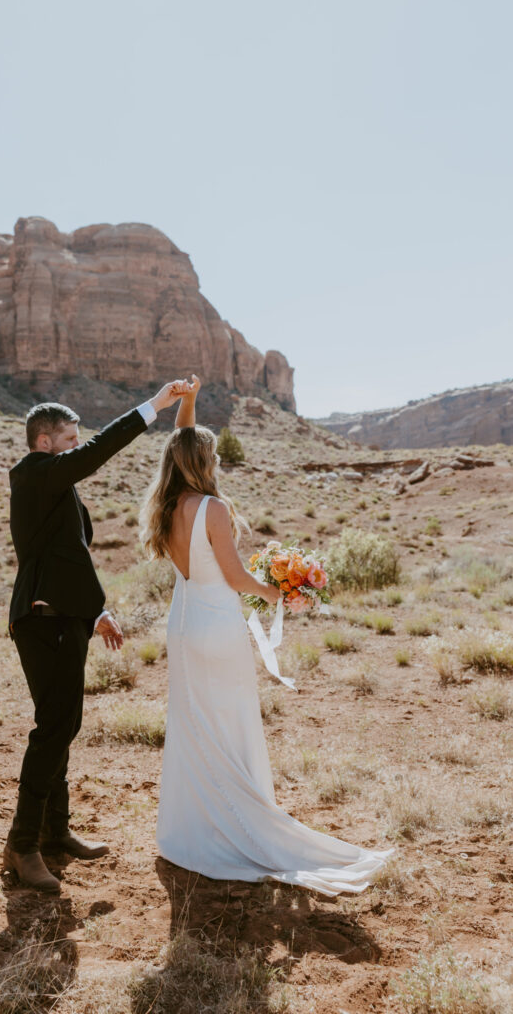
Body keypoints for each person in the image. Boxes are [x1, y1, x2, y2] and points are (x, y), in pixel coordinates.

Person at [140, 376, 394, 896]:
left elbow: (182, 440)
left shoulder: (167, 508)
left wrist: (187, 404)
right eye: (212, 457)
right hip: (216, 625)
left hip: (183, 625)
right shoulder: (212, 509)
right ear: (202, 463)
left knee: (194, 722)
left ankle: (192, 828)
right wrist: (282, 590)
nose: (217, 464)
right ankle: (240, 825)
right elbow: (235, 579)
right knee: (229, 722)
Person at [4, 380, 189, 893]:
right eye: (69, 438)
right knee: (54, 727)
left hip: (64, 620)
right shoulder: (34, 473)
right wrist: (153, 406)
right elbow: (99, 451)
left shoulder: (54, 486)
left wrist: (95, 613)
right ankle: (22, 845)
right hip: (42, 622)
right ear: (45, 442)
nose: (75, 446)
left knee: (63, 724)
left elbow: (69, 559)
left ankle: (54, 830)